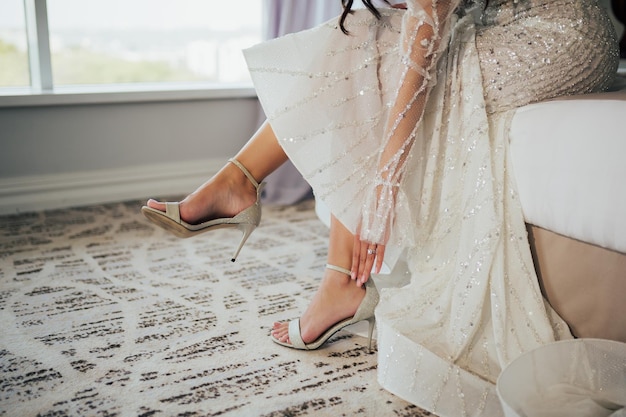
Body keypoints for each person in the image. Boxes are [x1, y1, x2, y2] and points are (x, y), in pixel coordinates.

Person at [142, 1, 620, 415]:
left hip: (560, 36)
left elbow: (423, 42)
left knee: (375, 68)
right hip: (496, 23)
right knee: (359, 36)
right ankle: (270, 215)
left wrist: (384, 184)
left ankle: (260, 205)